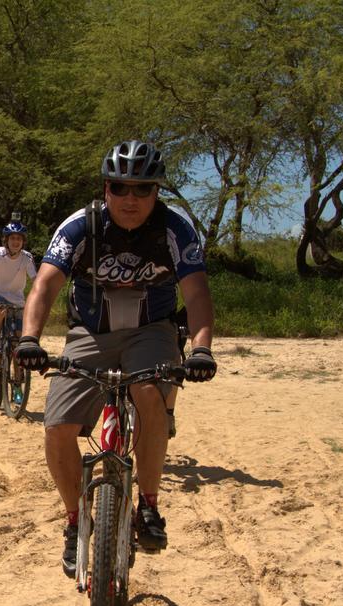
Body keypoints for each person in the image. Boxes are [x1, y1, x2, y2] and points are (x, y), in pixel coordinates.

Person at [15, 140, 217, 579]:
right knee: (57, 426)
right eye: (120, 187)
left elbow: (197, 293)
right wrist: (29, 338)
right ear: (105, 189)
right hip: (91, 332)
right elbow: (45, 286)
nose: (131, 198)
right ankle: (74, 520)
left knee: (148, 391)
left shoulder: (175, 230)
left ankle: (148, 505)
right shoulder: (80, 227)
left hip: (153, 330)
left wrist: (201, 348)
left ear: (157, 193)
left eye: (143, 189)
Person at [0, 217, 37, 392]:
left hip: (18, 301)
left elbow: (36, 280)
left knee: (17, 345)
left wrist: (37, 301)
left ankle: (18, 386)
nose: (15, 242)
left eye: (19, 239)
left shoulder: (27, 258)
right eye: (12, 238)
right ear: (6, 240)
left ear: (23, 241)